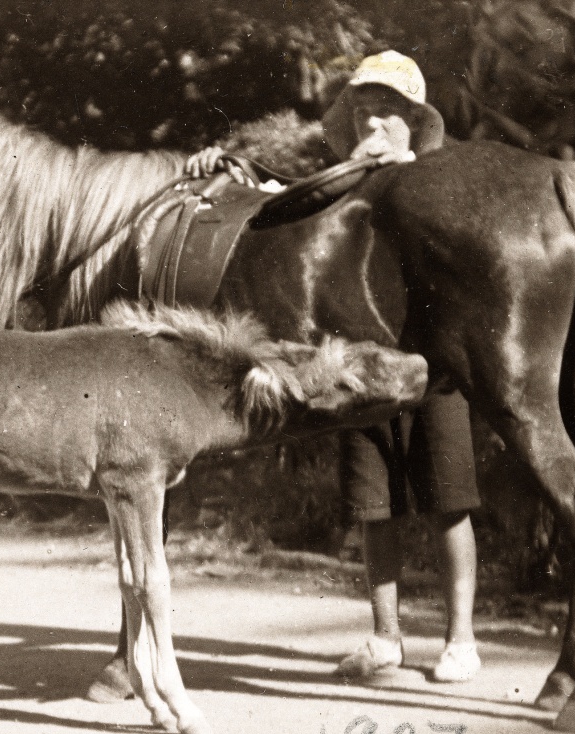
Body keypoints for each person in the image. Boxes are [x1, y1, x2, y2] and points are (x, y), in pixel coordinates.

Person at [185, 51, 482, 684]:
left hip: (431, 361)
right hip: (363, 364)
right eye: (366, 109)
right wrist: (224, 166)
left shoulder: (439, 185)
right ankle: (386, 636)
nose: (377, 121)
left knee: (450, 501)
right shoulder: (340, 181)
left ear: (414, 120)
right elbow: (279, 204)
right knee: (374, 503)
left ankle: (461, 638)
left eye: (391, 111)